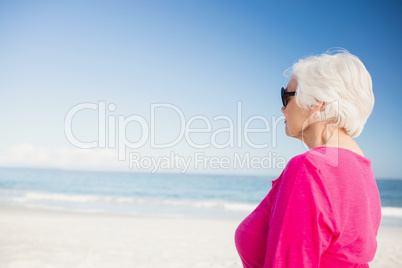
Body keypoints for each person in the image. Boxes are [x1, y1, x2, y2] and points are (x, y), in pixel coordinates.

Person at [235, 49, 381, 267]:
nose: (282, 108)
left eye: (286, 96)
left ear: (317, 103)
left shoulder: (311, 167)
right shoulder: (363, 172)